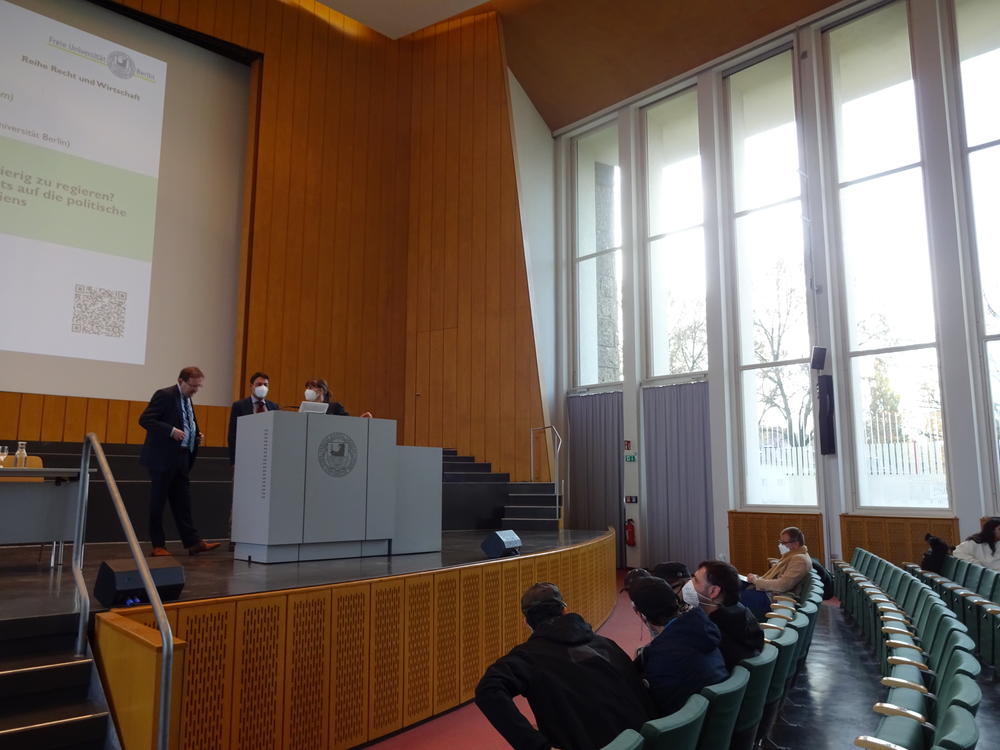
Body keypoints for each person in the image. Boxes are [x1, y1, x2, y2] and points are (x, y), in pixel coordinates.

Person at [475, 582, 653, 750]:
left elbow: (488, 690)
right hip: (640, 742)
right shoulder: (606, 644)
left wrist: (535, 745)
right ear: (565, 610)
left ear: (527, 623)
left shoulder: (528, 657)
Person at [139, 367, 220, 557]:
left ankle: (193, 542)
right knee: (158, 503)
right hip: (162, 459)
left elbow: (186, 421)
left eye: (198, 387)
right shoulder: (165, 395)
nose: (195, 390)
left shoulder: (187, 398)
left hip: (182, 457)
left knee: (183, 503)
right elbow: (145, 420)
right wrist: (170, 431)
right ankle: (158, 545)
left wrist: (195, 435)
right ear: (181, 381)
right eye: (193, 386)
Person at [626, 575, 727, 716]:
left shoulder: (659, 659)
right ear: (676, 600)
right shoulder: (704, 629)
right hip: (720, 718)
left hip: (688, 726)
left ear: (641, 615)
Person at [692, 560, 764, 670]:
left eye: (695, 580)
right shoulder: (739, 614)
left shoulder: (712, 634)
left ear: (714, 591)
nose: (689, 584)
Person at [741, 527, 811, 618]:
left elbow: (783, 585)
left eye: (783, 543)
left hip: (775, 598)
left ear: (796, 544)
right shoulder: (791, 555)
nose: (780, 545)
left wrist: (756, 581)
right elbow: (777, 577)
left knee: (737, 597)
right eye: (780, 542)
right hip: (771, 593)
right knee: (736, 585)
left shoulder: (800, 560)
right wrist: (757, 578)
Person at [227, 371, 280, 464]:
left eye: (265, 385)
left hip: (268, 456)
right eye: (259, 384)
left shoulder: (274, 407)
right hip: (246, 455)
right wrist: (234, 461)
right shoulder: (239, 406)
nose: (262, 387)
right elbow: (233, 435)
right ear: (251, 386)